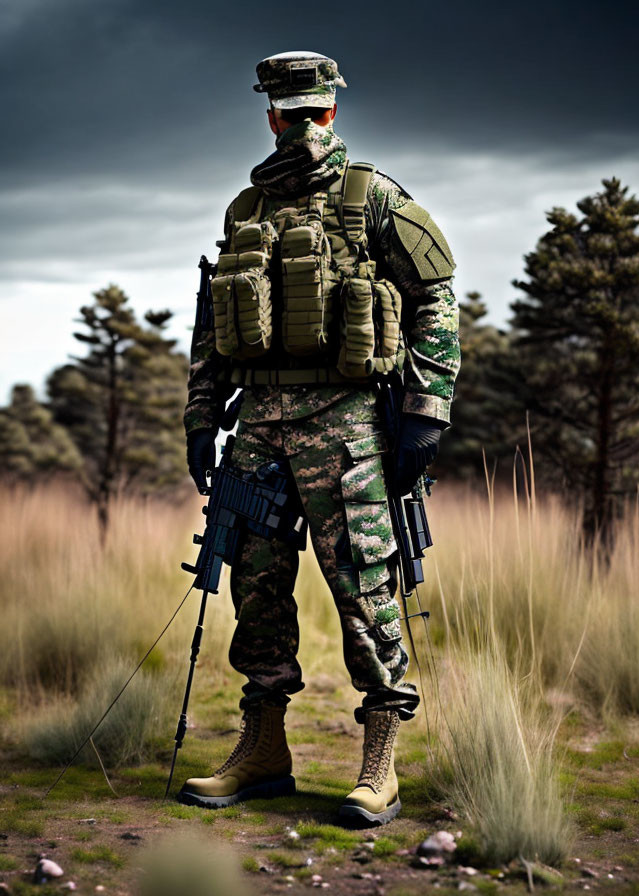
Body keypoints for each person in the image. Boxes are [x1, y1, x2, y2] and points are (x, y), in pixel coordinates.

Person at [177, 51, 460, 826]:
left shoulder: (373, 198)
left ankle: (379, 761)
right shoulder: (245, 210)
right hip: (258, 431)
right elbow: (212, 326)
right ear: (271, 115)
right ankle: (263, 750)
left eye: (309, 110)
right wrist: (202, 416)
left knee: (366, 589)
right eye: (288, 110)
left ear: (330, 112)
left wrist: (426, 410)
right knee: (255, 585)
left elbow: (435, 298)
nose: (298, 123)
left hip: (347, 425)